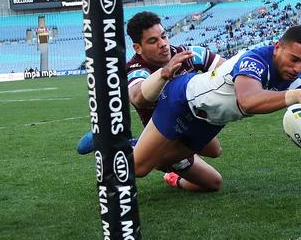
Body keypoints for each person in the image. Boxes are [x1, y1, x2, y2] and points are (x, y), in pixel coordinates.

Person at [134, 25, 301, 184]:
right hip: (181, 101)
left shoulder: (296, 83)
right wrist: (295, 97)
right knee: (139, 168)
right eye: (294, 59)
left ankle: (144, 148)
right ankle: (116, 144)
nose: (298, 68)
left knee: (204, 180)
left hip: (209, 123)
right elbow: (248, 101)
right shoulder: (254, 59)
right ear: (277, 48)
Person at [78, 11, 227, 191]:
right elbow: (137, 98)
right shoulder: (136, 68)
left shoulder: (187, 54)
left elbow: (227, 70)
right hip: (162, 138)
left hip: (188, 126)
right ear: (138, 48)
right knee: (140, 168)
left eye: (163, 36)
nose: (163, 44)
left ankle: (170, 175)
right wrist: (164, 74)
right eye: (153, 41)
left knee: (214, 160)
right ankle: (120, 144)